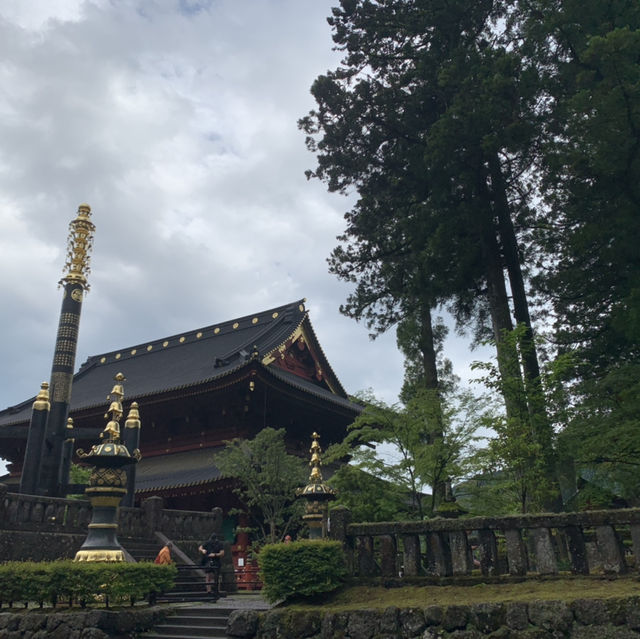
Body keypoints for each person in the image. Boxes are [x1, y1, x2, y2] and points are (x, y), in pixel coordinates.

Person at [198, 533, 224, 597]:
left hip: (216, 560)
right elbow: (200, 547)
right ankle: (209, 591)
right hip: (208, 560)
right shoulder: (207, 543)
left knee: (216, 577)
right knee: (208, 576)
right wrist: (202, 550)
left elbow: (222, 553)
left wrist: (215, 554)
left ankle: (216, 590)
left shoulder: (219, 544)